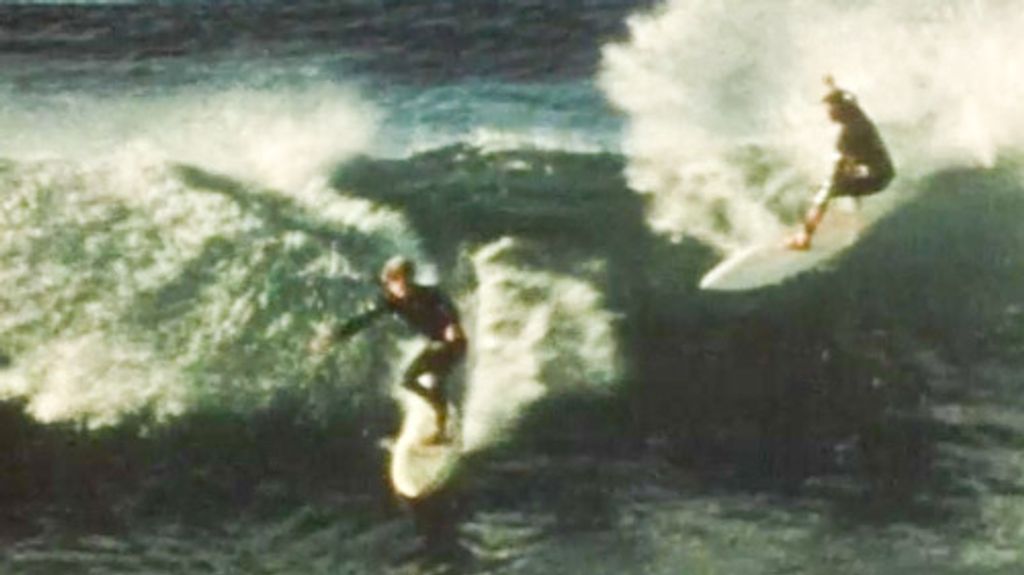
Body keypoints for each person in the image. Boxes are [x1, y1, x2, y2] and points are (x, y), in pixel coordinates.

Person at [312, 256, 466, 443]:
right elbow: (365, 320)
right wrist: (336, 336)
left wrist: (452, 324)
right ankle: (442, 415)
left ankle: (442, 425)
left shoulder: (428, 293)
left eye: (405, 280)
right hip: (437, 343)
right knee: (410, 381)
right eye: (395, 281)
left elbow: (446, 303)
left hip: (453, 343)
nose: (401, 286)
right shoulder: (392, 302)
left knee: (429, 380)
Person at [787, 76, 895, 250]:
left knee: (827, 189)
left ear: (841, 110)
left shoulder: (848, 134)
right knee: (843, 179)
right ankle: (851, 218)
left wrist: (828, 189)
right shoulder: (856, 113)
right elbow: (847, 97)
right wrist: (831, 85)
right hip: (884, 172)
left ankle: (804, 239)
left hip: (876, 178)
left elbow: (839, 170)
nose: (828, 113)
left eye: (831, 109)